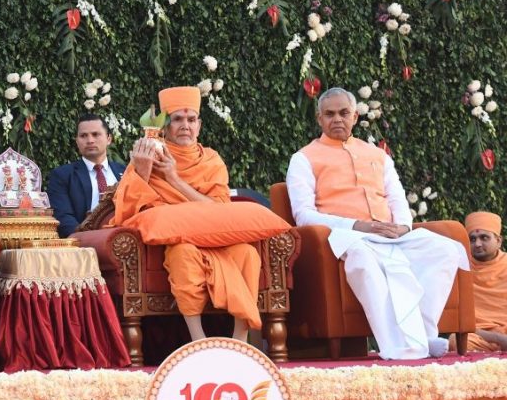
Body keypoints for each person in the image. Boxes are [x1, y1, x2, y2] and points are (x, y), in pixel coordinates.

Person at [286, 87, 468, 360]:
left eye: (344, 113)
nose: (337, 119)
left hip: (391, 234)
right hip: (347, 236)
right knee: (362, 260)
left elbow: (397, 199)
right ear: (319, 119)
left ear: (355, 116)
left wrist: (404, 227)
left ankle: (423, 336)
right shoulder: (303, 158)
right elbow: (303, 215)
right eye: (330, 114)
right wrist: (357, 226)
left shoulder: (378, 155)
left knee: (445, 250)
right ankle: (397, 347)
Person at [110, 86, 261, 341]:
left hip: (216, 239)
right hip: (181, 240)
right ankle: (197, 339)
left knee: (248, 253)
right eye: (177, 119)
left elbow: (220, 211)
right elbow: (128, 209)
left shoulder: (211, 160)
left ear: (199, 126)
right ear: (166, 127)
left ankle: (240, 339)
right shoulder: (148, 156)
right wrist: (144, 170)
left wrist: (174, 178)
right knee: (184, 254)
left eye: (191, 119)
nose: (185, 126)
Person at [48, 113, 126, 237]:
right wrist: (86, 238)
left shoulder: (126, 172)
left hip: (124, 237)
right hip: (84, 243)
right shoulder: (62, 176)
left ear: (109, 139)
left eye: (95, 134)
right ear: (77, 142)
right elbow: (63, 217)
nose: (90, 140)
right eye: (83, 136)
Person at [460, 211, 507, 351]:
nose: (478, 244)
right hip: (479, 335)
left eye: (484, 237)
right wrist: (498, 338)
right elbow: (461, 325)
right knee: (458, 343)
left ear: (498, 241)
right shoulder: (462, 267)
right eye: (472, 239)